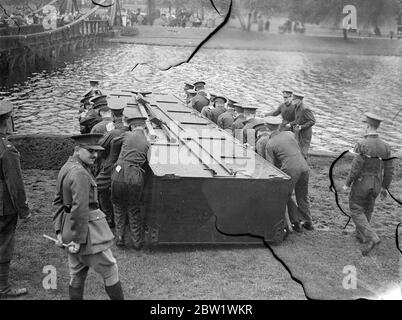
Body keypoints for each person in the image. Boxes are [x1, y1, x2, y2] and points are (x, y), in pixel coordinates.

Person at [53, 133, 124, 300]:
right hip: (87, 234)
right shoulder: (80, 174)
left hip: (69, 229)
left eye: (96, 151)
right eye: (90, 151)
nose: (95, 155)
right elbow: (80, 208)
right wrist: (78, 240)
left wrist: (59, 231)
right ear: (78, 150)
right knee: (110, 269)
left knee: (77, 272)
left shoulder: (67, 167)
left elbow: (58, 202)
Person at [342, 113, 394, 256]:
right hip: (377, 183)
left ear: (368, 126)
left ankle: (371, 236)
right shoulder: (386, 146)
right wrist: (385, 187)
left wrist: (348, 183)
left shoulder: (362, 144)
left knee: (356, 208)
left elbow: (356, 167)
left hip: (362, 183)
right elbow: (389, 170)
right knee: (368, 209)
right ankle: (361, 235)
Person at [257, 116, 314, 232]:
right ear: (279, 126)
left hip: (290, 169)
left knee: (284, 195)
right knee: (303, 196)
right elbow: (296, 145)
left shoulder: (270, 143)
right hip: (304, 166)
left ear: (267, 127)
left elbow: (271, 167)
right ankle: (308, 222)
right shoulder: (290, 134)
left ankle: (292, 224)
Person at [0, 101, 31, 299]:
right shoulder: (7, 149)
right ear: (7, 121)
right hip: (3, 206)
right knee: (4, 243)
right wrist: (24, 210)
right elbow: (15, 186)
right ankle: (3, 287)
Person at [110, 108, 151, 249]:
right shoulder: (147, 142)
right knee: (134, 209)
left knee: (118, 207)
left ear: (132, 126)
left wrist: (116, 158)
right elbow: (147, 162)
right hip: (136, 176)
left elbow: (114, 141)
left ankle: (120, 237)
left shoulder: (126, 135)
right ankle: (136, 242)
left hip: (119, 173)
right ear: (144, 127)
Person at [96, 102, 128, 229]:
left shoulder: (113, 132)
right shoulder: (128, 130)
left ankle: (108, 218)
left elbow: (100, 147)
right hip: (125, 167)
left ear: (113, 115)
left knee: (100, 189)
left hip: (111, 166)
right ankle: (121, 220)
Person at [287, 93, 316, 160]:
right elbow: (298, 119)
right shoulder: (297, 106)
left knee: (303, 151)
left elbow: (312, 121)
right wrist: (290, 124)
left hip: (305, 133)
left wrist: (301, 127)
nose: (292, 101)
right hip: (299, 131)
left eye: (294, 99)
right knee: (298, 148)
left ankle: (304, 166)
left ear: (299, 100)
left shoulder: (305, 109)